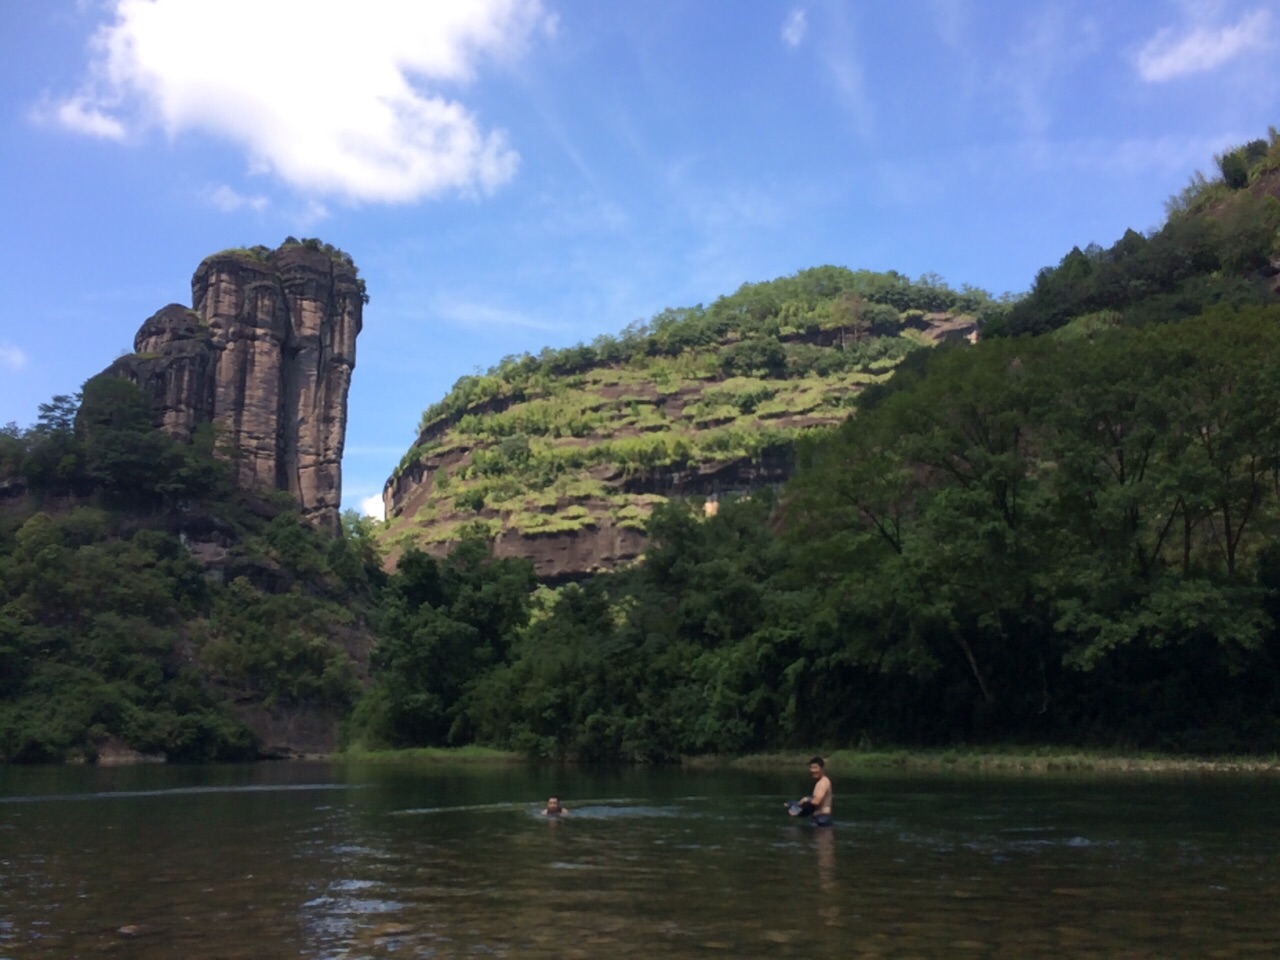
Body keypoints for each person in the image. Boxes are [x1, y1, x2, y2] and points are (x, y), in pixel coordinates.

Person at [785, 756, 833, 827]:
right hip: (820, 818)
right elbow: (813, 806)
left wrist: (805, 799)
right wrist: (796, 808)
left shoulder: (822, 783)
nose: (813, 770)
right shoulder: (821, 782)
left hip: (822, 819)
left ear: (821, 768)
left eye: (815, 768)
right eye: (811, 768)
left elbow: (816, 802)